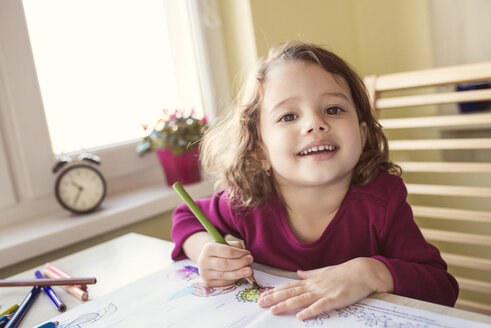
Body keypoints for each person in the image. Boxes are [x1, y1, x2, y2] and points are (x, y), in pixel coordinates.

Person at [171, 41, 459, 321]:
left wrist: (371, 272)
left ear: (361, 133)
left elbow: (442, 289)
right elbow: (186, 217)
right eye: (288, 116)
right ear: (260, 151)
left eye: (333, 109)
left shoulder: (382, 201)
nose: (314, 123)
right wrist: (205, 252)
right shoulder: (245, 202)